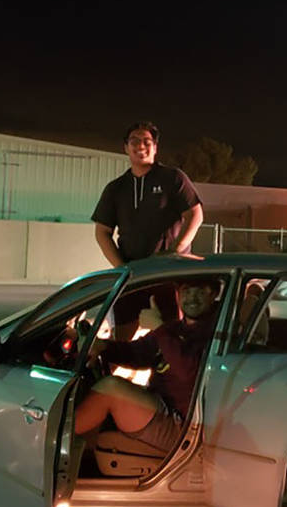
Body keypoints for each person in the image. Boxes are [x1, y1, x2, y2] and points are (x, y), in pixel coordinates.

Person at [73, 278, 219, 453]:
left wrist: (159, 328)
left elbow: (187, 373)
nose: (192, 298)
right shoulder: (175, 329)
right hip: (160, 404)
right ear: (178, 294)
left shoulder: (217, 333)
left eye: (200, 292)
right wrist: (103, 347)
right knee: (109, 392)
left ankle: (53, 438)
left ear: (214, 295)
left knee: (111, 388)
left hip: (185, 425)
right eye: (187, 291)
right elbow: (138, 354)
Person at [92, 121, 204, 338]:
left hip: (167, 275)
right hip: (131, 277)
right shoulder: (116, 188)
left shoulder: (173, 178)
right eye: (134, 141)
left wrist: (175, 252)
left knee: (173, 336)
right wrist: (122, 269)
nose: (140, 146)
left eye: (147, 141)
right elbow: (102, 232)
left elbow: (195, 215)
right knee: (122, 339)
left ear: (155, 147)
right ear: (126, 147)